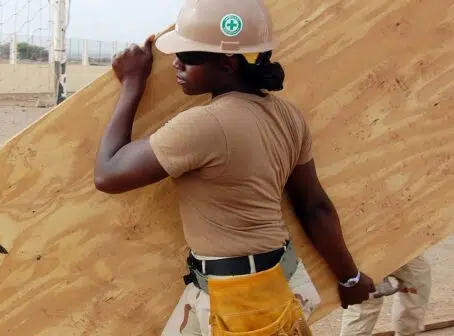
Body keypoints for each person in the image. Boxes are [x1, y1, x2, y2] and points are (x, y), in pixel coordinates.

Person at [93, 0, 376, 334]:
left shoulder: (204, 125)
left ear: (228, 63)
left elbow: (108, 174)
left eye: (190, 57)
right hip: (266, 282)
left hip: (242, 301)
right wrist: (349, 277)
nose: (177, 65)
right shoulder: (287, 115)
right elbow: (314, 207)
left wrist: (132, 84)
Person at [340, 254, 432, 336]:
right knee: (365, 304)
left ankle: (407, 332)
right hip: (367, 248)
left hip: (402, 244)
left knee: (418, 281)